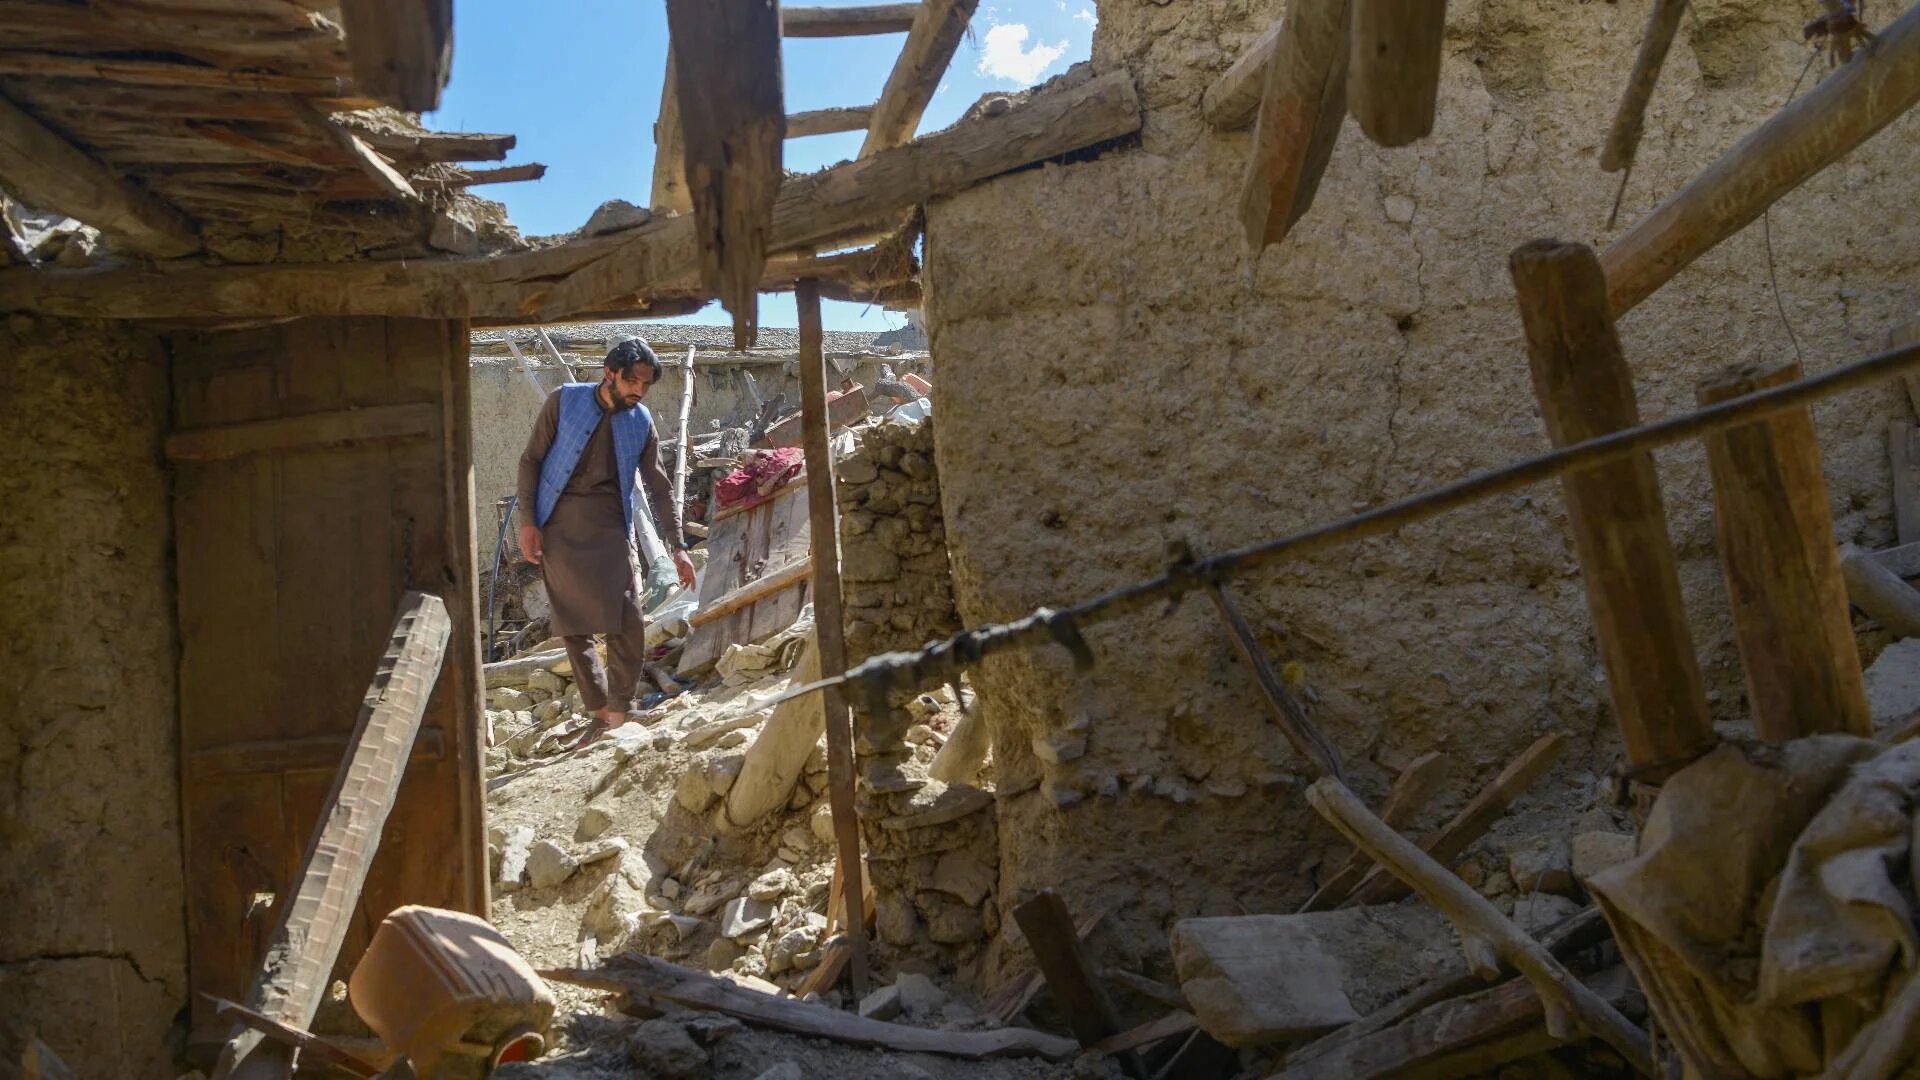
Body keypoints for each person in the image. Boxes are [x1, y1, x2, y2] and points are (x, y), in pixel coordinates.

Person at [517, 337, 697, 744]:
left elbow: (659, 484)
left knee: (627, 618)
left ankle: (622, 709)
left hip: (609, 525)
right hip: (557, 523)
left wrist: (678, 544)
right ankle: (600, 713)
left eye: (646, 385)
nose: (639, 390)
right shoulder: (563, 402)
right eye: (632, 381)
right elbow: (530, 460)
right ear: (609, 372)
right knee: (572, 623)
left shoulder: (641, 420)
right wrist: (528, 523)